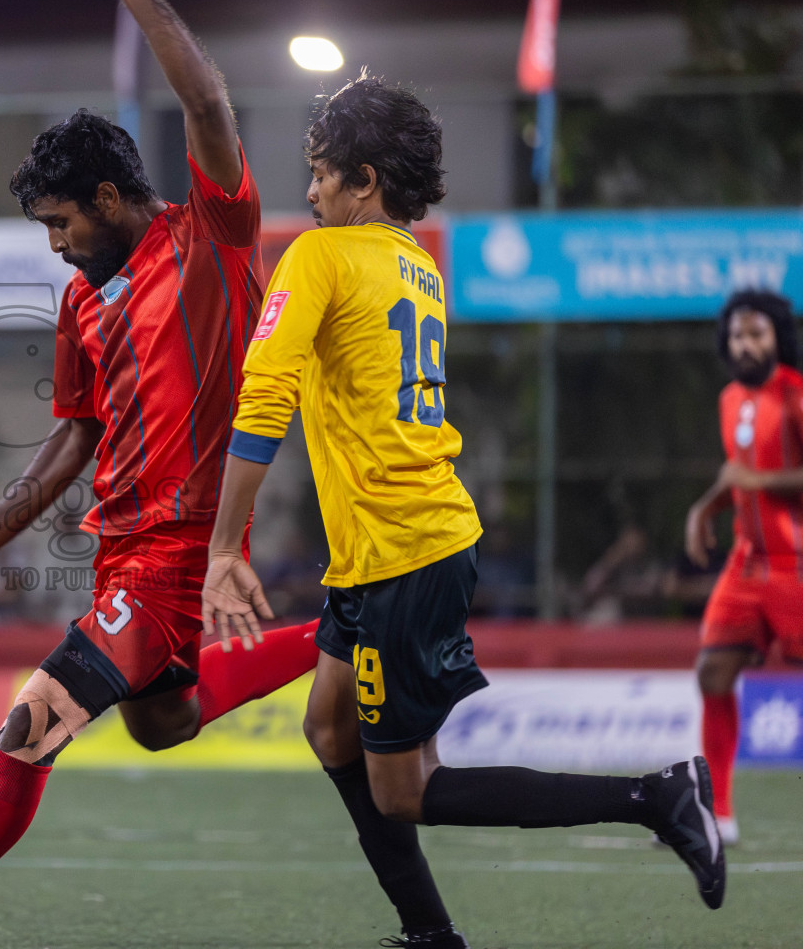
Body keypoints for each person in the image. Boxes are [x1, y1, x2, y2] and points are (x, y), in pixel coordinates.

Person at [0, 0, 321, 948]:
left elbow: (209, 105)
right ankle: (348, 637)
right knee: (161, 720)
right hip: (120, 549)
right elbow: (75, 439)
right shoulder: (83, 300)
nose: (53, 243)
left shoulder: (211, 240)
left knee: (31, 722)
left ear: (108, 198)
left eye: (60, 221)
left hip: (184, 546)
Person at [201, 73, 726, 948]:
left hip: (399, 554)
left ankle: (656, 794)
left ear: (364, 180)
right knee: (328, 728)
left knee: (403, 788)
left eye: (323, 173)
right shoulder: (415, 262)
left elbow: (264, 403)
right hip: (406, 543)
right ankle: (429, 933)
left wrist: (225, 547)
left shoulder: (321, 255)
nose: (312, 189)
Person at [684, 288, 803, 847]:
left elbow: (760, 478)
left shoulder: (797, 396)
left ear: (778, 335)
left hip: (795, 566)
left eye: (756, 333)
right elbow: (739, 474)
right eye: (737, 335)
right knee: (712, 673)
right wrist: (707, 507)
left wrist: (755, 483)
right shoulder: (730, 398)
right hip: (745, 564)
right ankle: (719, 814)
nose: (746, 343)